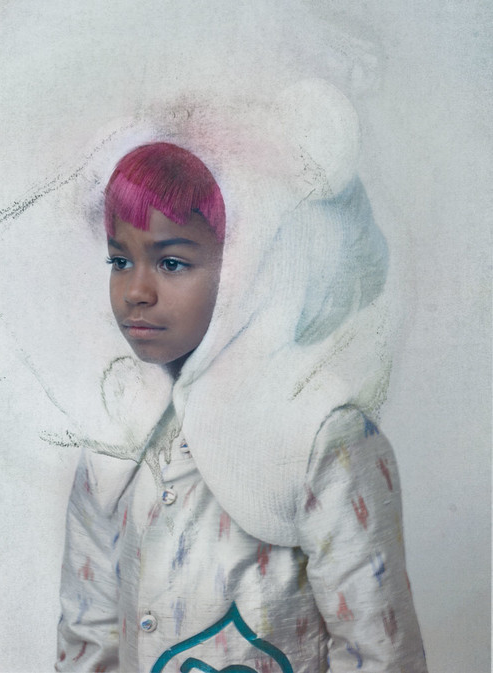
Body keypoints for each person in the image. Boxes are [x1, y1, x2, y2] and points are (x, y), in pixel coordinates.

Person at [55, 86, 427, 672]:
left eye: (172, 262)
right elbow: (87, 639)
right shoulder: (115, 434)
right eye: (120, 260)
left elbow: (378, 654)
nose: (136, 291)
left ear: (247, 269)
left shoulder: (322, 436)